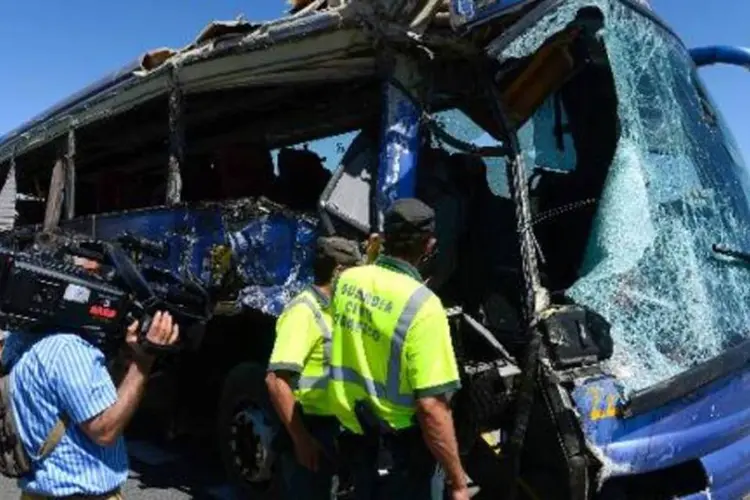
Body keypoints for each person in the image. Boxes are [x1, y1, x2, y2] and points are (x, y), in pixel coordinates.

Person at [4, 254, 180, 500]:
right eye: (92, 275)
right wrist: (143, 362)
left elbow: (83, 398)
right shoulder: (70, 349)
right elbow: (104, 430)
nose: (102, 285)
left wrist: (124, 359)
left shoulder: (20, 337)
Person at [328, 198, 469, 500]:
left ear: (383, 238)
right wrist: (458, 483)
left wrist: (373, 252)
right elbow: (431, 408)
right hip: (399, 455)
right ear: (429, 245)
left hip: (351, 438)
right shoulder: (423, 306)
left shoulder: (346, 282)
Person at [265, 236, 363, 499]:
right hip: (313, 430)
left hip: (338, 431)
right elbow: (277, 381)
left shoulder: (336, 307)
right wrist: (301, 439)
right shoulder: (303, 312)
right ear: (339, 272)